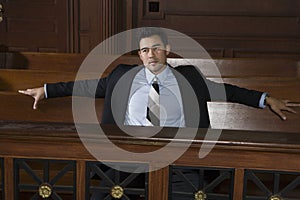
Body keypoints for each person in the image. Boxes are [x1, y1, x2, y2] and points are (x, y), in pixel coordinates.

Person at [19, 27, 296, 128]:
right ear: (139, 55)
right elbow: (86, 86)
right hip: (127, 151)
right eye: (144, 50)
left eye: (156, 48)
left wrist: (266, 99)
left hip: (179, 153)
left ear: (167, 51)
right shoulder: (121, 76)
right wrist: (46, 90)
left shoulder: (190, 79)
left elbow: (229, 91)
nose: (150, 54)